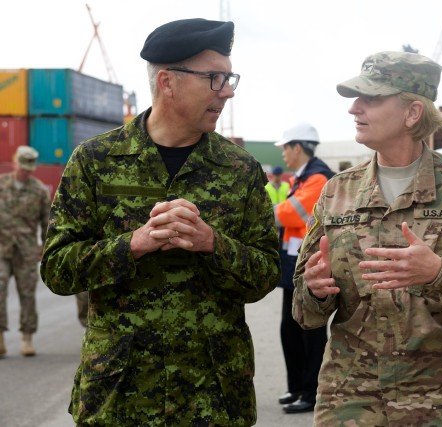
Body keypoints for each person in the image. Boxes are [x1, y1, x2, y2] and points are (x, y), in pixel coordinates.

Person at [40, 18, 280, 426]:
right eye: (215, 78)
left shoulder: (240, 169)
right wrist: (132, 244)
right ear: (168, 81)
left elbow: (265, 276)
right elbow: (57, 270)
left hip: (214, 395)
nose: (228, 91)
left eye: (230, 77)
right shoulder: (96, 161)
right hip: (120, 394)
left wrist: (211, 243)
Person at [292, 51, 442, 425]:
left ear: (412, 113)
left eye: (371, 98)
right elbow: (304, 314)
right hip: (353, 405)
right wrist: (315, 290)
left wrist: (438, 274)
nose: (354, 109)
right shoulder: (337, 194)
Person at [273, 122, 333, 414]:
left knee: (309, 331)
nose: (283, 154)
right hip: (294, 263)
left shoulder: (317, 177)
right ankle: (297, 387)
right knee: (290, 329)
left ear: (297, 147)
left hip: (311, 265)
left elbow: (289, 214)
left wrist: (263, 213)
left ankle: (311, 392)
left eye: (285, 147)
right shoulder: (302, 177)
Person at [0, 146, 50, 358]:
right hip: (2, 248)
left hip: (27, 250)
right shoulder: (1, 185)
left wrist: (46, 248)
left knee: (27, 294)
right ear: (15, 163)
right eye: (22, 167)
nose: (25, 172)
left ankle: (27, 338)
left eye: (29, 168)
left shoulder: (40, 191)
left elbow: (47, 223)